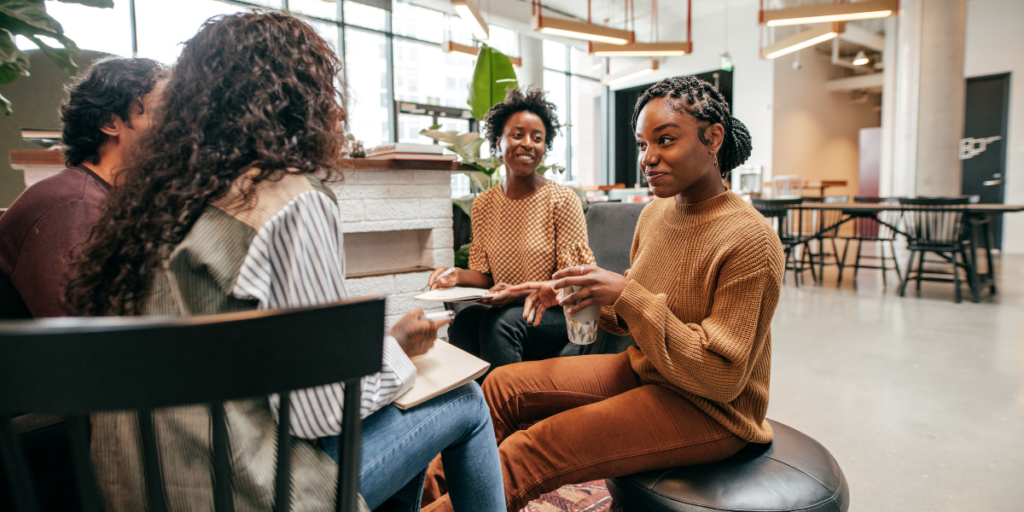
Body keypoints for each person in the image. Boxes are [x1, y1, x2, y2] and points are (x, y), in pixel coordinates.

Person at [64, 13, 503, 512]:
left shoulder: (149, 204)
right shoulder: (287, 197)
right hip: (245, 494)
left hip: (133, 491)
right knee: (463, 401)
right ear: (301, 98)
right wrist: (397, 351)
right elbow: (315, 413)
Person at [423, 76, 785, 512]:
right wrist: (578, 295)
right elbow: (629, 315)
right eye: (641, 144)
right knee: (499, 387)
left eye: (665, 140)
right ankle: (411, 499)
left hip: (712, 409)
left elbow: (721, 378)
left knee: (531, 450)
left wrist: (626, 294)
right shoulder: (656, 214)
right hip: (649, 369)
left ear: (712, 139)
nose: (647, 159)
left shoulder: (750, 239)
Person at [427, 87, 595, 376]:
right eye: (517, 135)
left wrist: (516, 293)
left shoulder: (562, 199)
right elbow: (485, 276)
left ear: (544, 146)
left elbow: (574, 283)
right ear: (498, 141)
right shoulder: (483, 204)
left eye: (537, 138)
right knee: (467, 320)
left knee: (500, 322)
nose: (528, 144)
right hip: (511, 307)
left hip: (557, 311)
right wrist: (456, 275)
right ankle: (472, 411)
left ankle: (508, 416)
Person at [0, 57, 166, 318]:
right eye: (162, 112)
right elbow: (83, 340)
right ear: (110, 123)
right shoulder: (73, 206)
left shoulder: (116, 199)